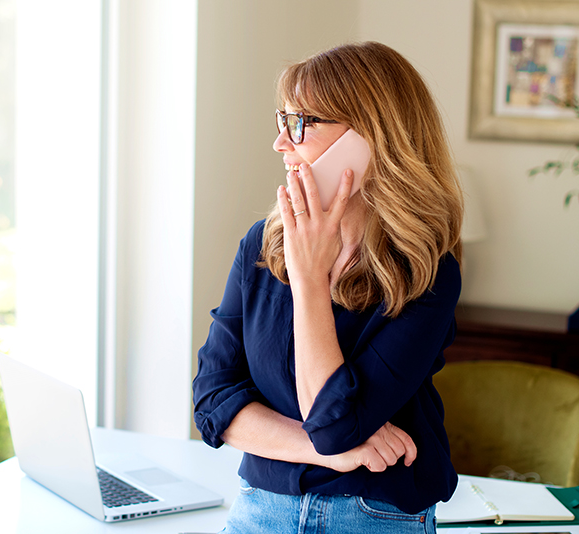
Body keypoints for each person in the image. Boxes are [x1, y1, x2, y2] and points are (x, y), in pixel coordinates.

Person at [192, 41, 464, 534]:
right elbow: (212, 402)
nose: (280, 143)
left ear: (371, 137)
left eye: (302, 123)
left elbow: (336, 422)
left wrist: (310, 280)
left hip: (374, 516)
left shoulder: (427, 272)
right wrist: (332, 452)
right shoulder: (262, 244)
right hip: (260, 510)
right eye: (282, 120)